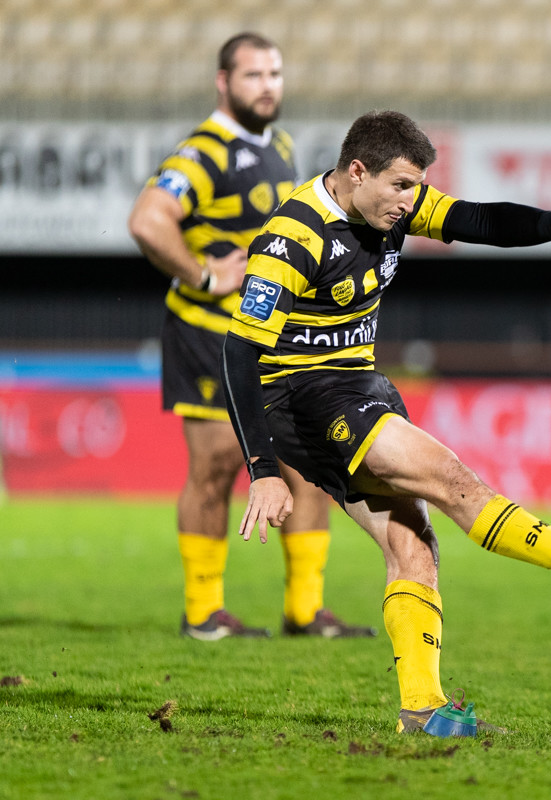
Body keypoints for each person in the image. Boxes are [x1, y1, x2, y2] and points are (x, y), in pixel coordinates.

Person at [222, 110, 551, 736]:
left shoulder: (393, 205)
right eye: (401, 186)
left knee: (415, 545)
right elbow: (240, 351)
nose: (411, 203)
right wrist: (263, 470)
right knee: (451, 478)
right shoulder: (291, 237)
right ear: (358, 171)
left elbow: (481, 220)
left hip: (356, 387)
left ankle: (423, 710)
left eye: (416, 188)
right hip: (305, 397)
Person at [128, 33, 374, 640]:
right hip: (209, 333)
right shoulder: (204, 152)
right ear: (223, 83)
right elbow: (147, 219)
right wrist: (205, 275)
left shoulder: (280, 145)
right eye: (253, 75)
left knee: (311, 467)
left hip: (276, 339)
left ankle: (304, 609)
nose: (268, 86)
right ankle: (203, 611)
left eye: (275, 74)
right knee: (215, 466)